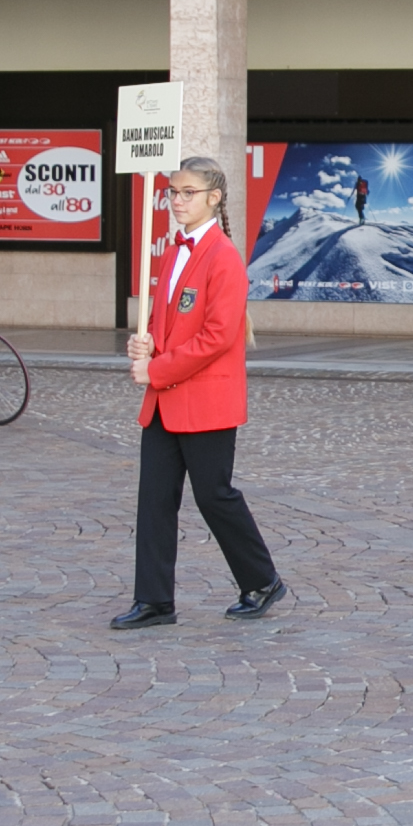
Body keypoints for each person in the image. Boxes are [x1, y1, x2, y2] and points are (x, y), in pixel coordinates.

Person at [110, 158, 288, 629]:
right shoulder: (173, 251)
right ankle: (154, 600)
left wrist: (156, 368)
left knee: (214, 496)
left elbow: (217, 337)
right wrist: (146, 342)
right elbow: (166, 320)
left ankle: (262, 580)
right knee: (154, 499)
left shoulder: (224, 257)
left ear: (214, 198)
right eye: (173, 192)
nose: (177, 200)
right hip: (165, 400)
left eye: (188, 192)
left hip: (206, 400)